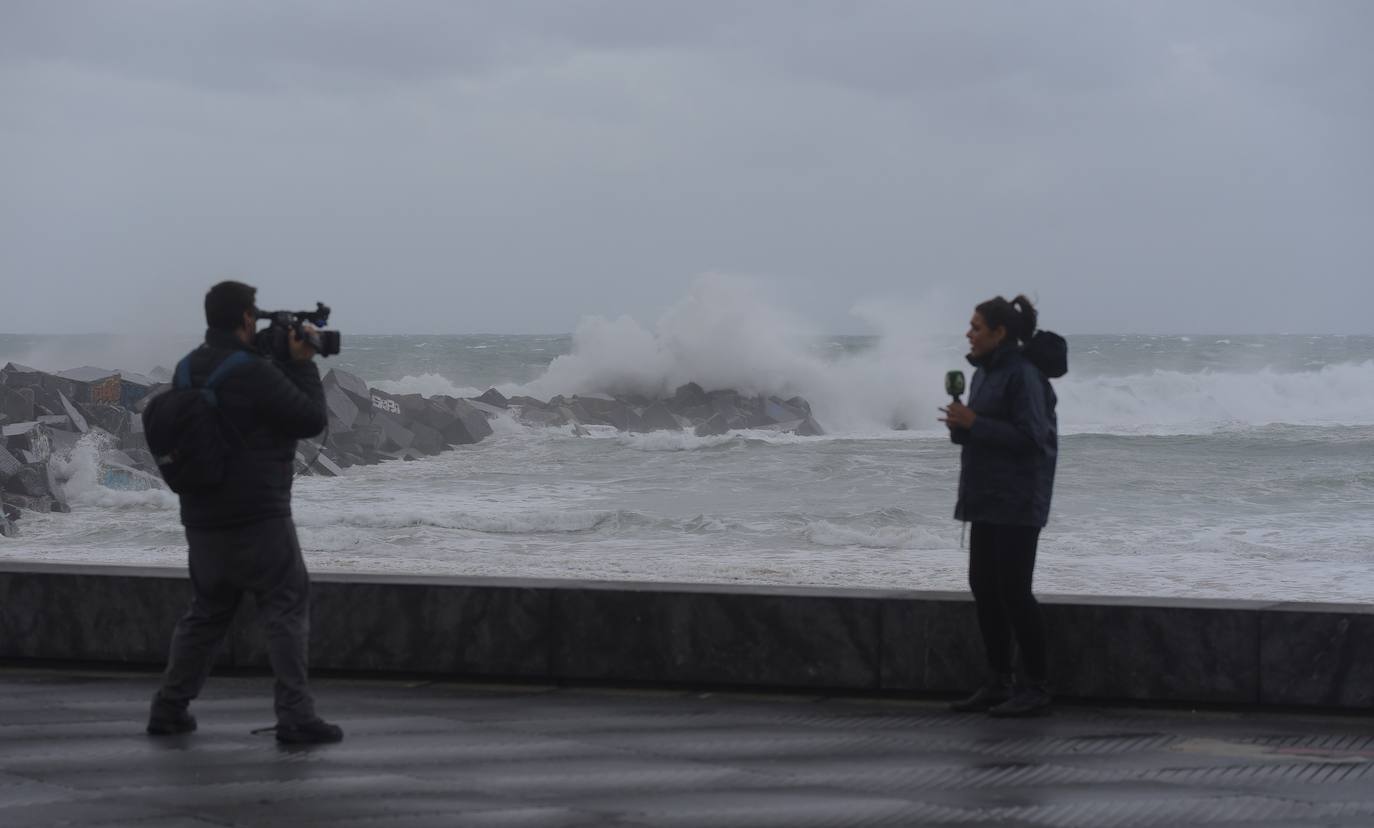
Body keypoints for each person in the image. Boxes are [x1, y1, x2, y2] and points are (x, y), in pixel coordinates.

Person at [146, 281, 343, 743]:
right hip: (258, 516)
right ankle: (295, 715)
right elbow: (310, 420)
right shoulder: (253, 372)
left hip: (201, 516)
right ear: (247, 320)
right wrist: (301, 364)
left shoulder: (186, 368)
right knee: (285, 608)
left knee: (207, 613)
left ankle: (169, 707)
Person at [939, 295, 1062, 718]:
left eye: (976, 327)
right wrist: (962, 427)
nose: (968, 334)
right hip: (985, 496)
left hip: (1019, 499)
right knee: (985, 588)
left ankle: (1037, 685)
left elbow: (1034, 440)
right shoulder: (984, 375)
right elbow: (982, 433)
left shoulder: (1023, 375)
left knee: (1014, 590)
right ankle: (998, 681)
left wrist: (977, 424)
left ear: (999, 332)